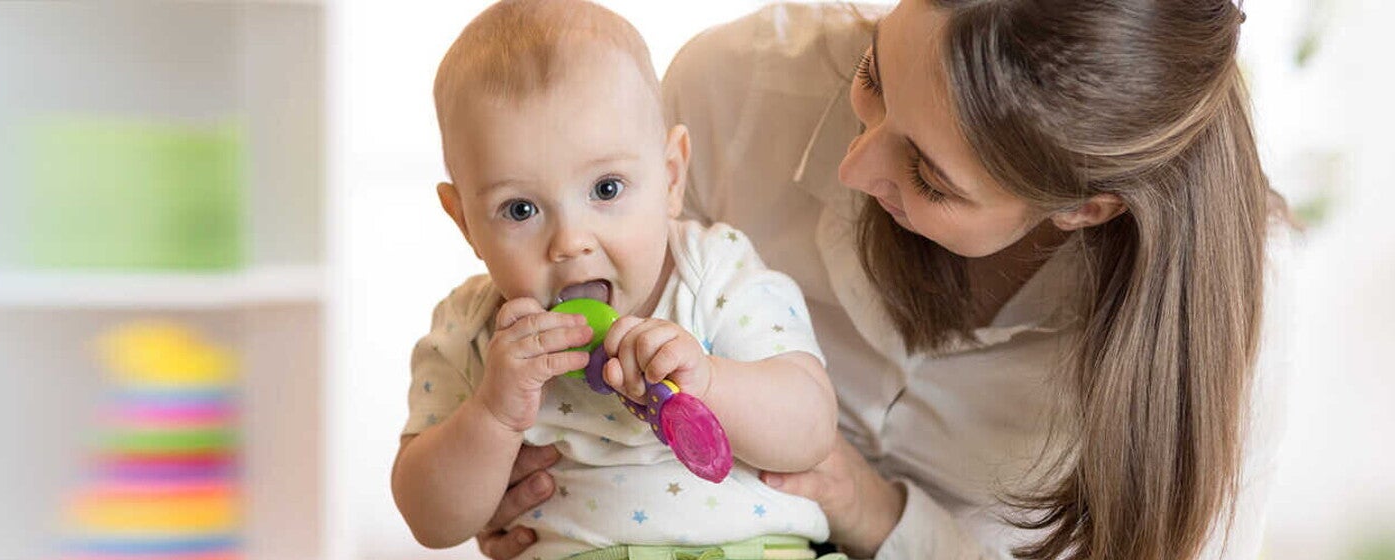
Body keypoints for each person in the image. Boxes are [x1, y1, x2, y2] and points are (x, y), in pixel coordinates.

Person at [476, 1, 1294, 559]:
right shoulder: (733, 92)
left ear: (1085, 209)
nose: (855, 164)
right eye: (873, 77)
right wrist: (515, 467)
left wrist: (870, 509)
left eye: (931, 177)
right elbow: (564, 274)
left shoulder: (1221, 305)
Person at [389, 2, 847, 559]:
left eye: (606, 190)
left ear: (671, 178)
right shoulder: (472, 333)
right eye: (519, 210)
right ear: (464, 221)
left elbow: (811, 428)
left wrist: (708, 381)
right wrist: (492, 414)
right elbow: (429, 521)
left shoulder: (715, 273)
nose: (569, 241)